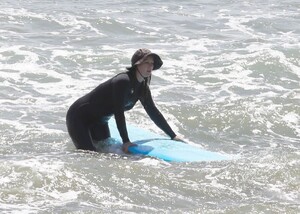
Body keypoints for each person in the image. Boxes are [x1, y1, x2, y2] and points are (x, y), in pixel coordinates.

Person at [66, 48, 184, 153]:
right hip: (79, 117)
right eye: (146, 62)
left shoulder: (142, 87)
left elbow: (152, 111)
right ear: (137, 64)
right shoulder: (123, 81)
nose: (150, 66)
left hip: (100, 121)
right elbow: (118, 112)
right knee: (89, 154)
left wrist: (172, 135)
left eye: (152, 63)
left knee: (106, 150)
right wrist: (126, 141)